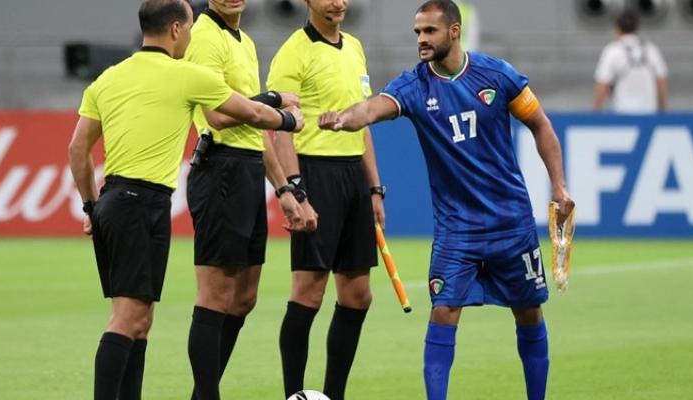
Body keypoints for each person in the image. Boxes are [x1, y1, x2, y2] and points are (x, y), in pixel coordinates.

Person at [318, 1, 574, 399]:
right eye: (417, 32)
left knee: (528, 312)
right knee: (443, 310)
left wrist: (559, 186)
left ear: (454, 31)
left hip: (510, 222)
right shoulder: (414, 86)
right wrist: (345, 118)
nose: (421, 39)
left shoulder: (497, 75)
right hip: (457, 229)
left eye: (429, 31)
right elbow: (372, 108)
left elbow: (540, 125)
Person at [67, 1, 303, 399]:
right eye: (190, 27)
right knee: (127, 318)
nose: (192, 35)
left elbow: (78, 149)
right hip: (143, 203)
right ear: (177, 29)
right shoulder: (186, 75)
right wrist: (290, 118)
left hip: (114, 200)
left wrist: (91, 206)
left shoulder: (108, 78)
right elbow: (249, 113)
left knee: (139, 320)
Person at [181, 1, 312, 399]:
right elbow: (219, 115)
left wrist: (283, 188)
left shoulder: (245, 41)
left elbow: (254, 128)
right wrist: (275, 103)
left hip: (248, 168)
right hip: (220, 168)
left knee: (244, 297)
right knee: (216, 294)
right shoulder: (204, 37)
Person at [266, 0, 385, 399]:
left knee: (358, 295)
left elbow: (363, 122)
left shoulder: (354, 46)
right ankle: (294, 395)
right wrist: (296, 190)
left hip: (353, 177)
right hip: (315, 173)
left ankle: (334, 394)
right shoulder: (293, 52)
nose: (338, 2)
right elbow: (281, 129)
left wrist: (374, 188)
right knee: (309, 292)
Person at [593, 9, 669, 113]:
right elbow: (662, 82)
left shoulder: (612, 51)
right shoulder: (651, 49)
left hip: (622, 116)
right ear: (637, 28)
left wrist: (596, 112)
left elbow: (602, 85)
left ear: (617, 29)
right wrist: (662, 110)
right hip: (648, 115)